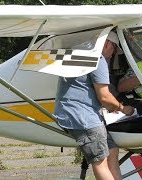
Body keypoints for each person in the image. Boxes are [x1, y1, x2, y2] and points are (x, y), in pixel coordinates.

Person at [54, 31, 134, 180]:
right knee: (100, 162)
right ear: (106, 44)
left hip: (77, 113)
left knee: (113, 150)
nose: (113, 54)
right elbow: (104, 97)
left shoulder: (80, 54)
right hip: (82, 117)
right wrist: (124, 109)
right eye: (114, 49)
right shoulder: (98, 59)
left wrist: (113, 106)